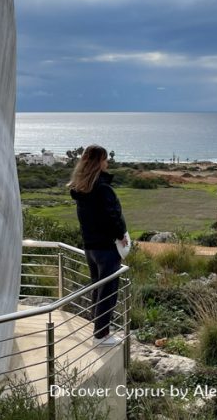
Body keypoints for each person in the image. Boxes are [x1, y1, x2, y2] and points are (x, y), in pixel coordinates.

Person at [68, 145, 128, 346]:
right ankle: (101, 335)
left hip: (90, 247)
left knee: (98, 288)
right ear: (97, 163)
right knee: (108, 290)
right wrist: (121, 235)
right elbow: (112, 217)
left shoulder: (81, 189)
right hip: (106, 248)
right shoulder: (103, 189)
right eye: (104, 159)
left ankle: (98, 328)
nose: (107, 162)